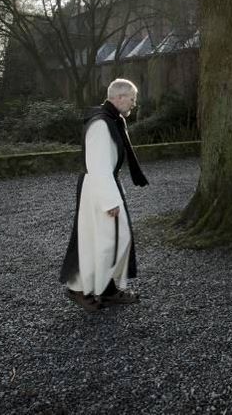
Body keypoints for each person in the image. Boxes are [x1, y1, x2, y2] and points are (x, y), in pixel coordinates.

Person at [59, 78, 149, 311]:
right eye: (132, 98)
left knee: (114, 239)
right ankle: (78, 287)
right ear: (119, 97)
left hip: (105, 184)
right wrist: (109, 200)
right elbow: (98, 164)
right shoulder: (101, 124)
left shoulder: (110, 120)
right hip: (99, 188)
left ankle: (107, 289)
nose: (134, 103)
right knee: (102, 241)